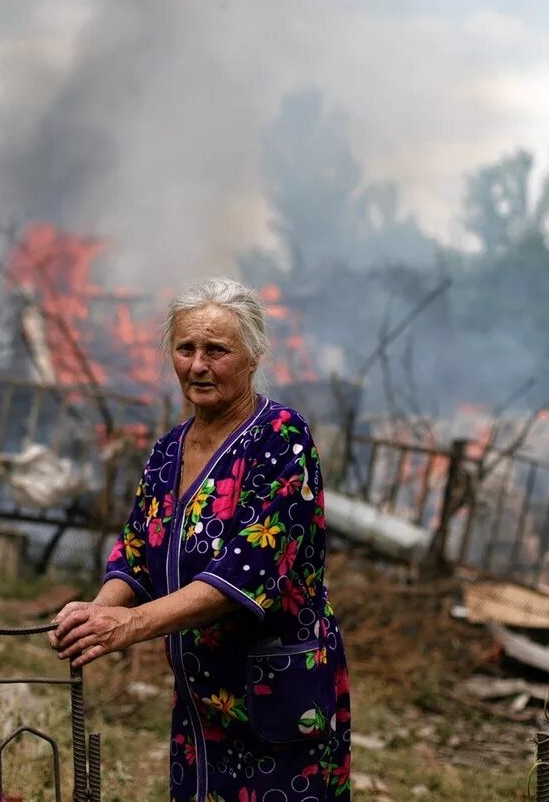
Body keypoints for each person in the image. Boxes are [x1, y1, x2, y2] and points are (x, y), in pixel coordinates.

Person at [49, 277, 352, 801]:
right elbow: (137, 552)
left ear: (253, 356)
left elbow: (246, 573)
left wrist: (131, 624)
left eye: (217, 350)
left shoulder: (281, 438)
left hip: (275, 688)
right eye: (185, 348)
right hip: (200, 698)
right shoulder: (168, 449)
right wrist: (98, 613)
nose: (197, 365)